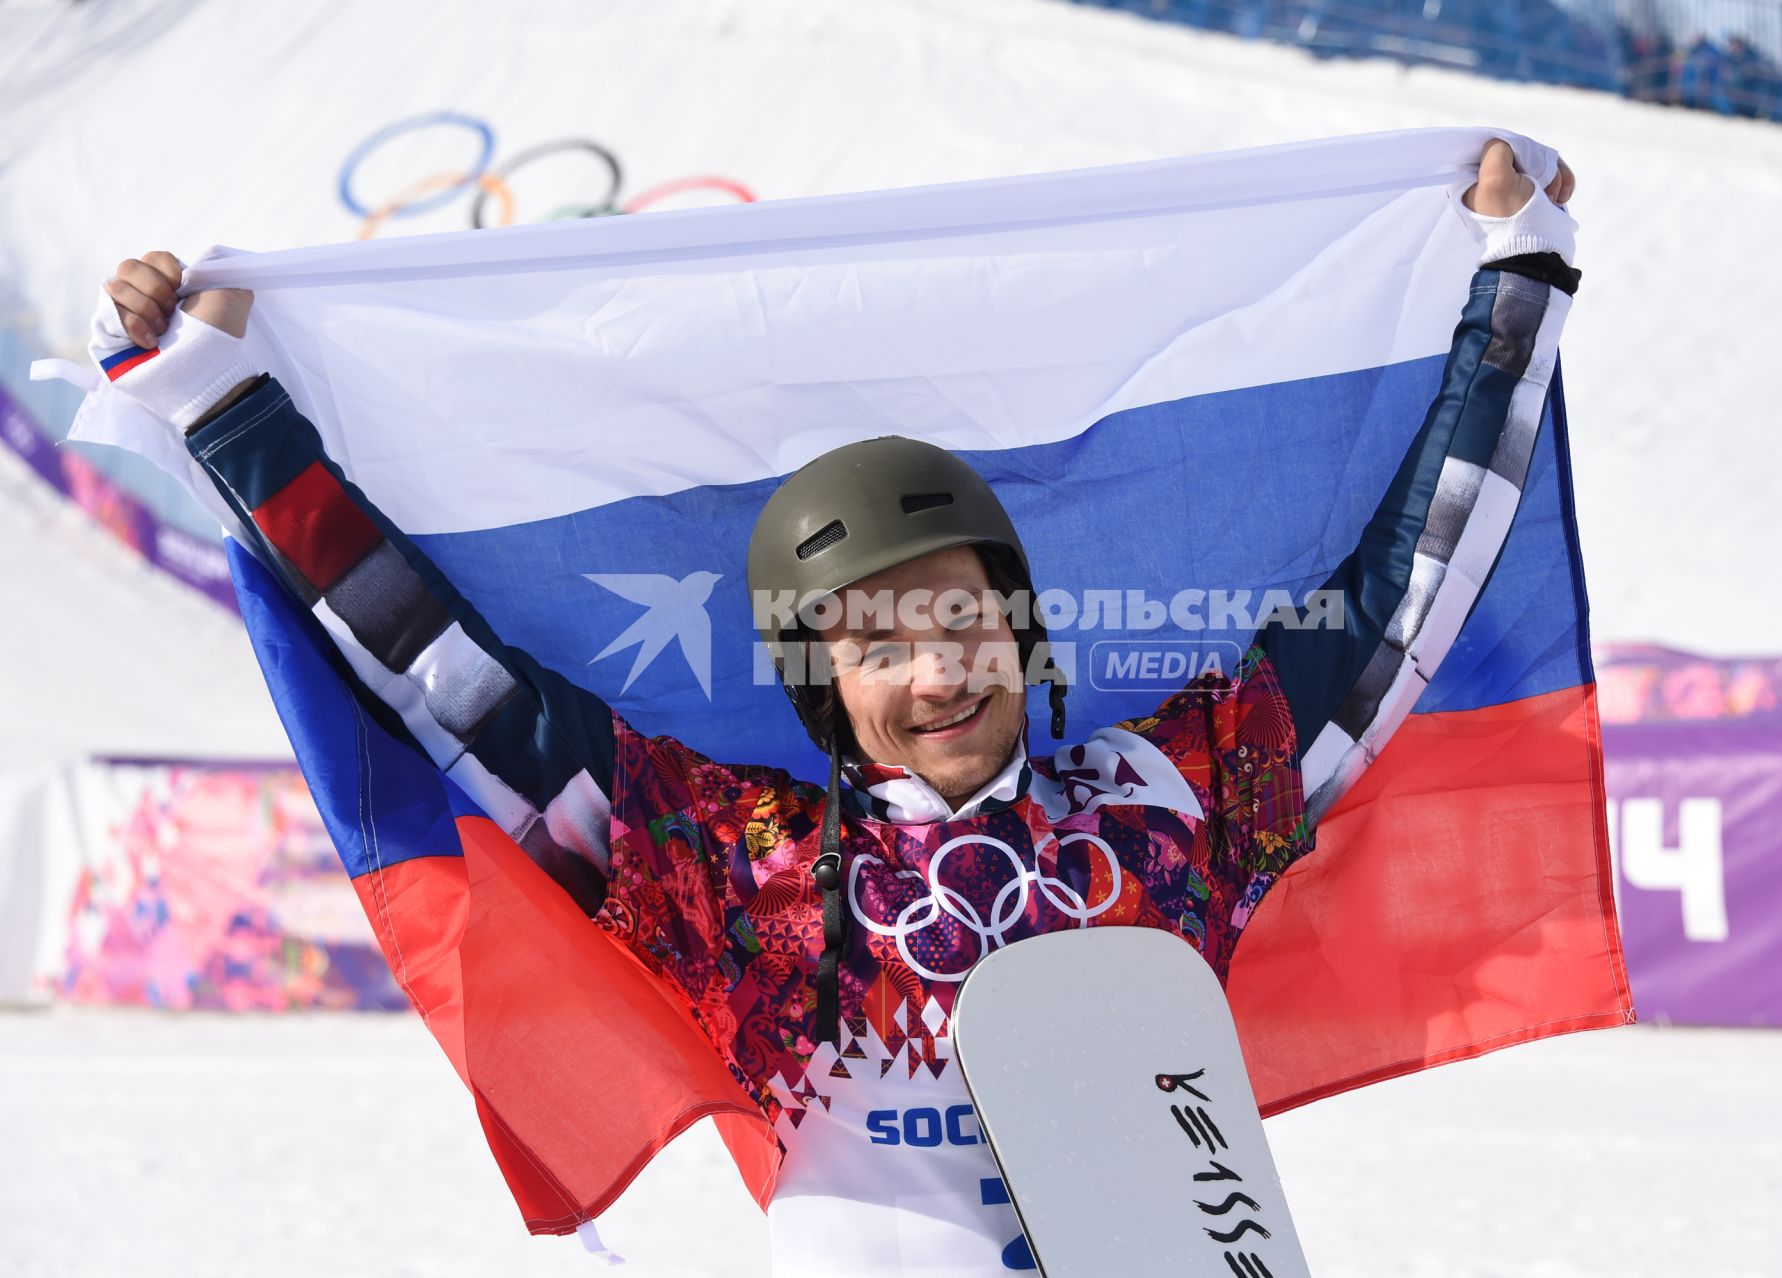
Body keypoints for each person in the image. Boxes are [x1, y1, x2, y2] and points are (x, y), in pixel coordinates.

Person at [95, 138, 1578, 1277]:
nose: (937, 668)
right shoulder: (735, 863)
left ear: (1019, 624)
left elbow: (1400, 605)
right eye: (881, 641)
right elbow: (443, 673)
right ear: (826, 682)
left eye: (963, 616)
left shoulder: (1169, 801)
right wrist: (233, 411)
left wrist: (1514, 290)